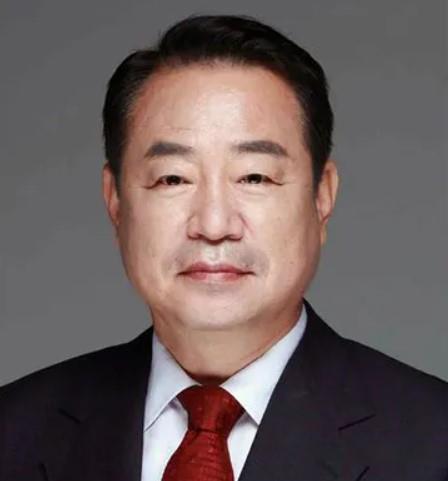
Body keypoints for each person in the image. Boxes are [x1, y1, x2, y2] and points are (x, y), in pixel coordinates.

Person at [0, 14, 447, 481]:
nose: (214, 225)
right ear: (116, 202)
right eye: (173, 179)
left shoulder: (434, 442)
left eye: (254, 177)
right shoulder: (15, 432)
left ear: (322, 197)